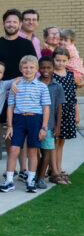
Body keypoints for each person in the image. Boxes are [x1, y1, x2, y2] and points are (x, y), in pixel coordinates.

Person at [0, 9, 37, 173]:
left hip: (19, 94)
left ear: (20, 24)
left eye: (15, 22)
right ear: (3, 23)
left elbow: (32, 69)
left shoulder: (26, 44)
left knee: (17, 133)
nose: (11, 24)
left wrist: (18, 86)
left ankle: (20, 169)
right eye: (8, 21)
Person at [0, 55, 51, 193]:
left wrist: (44, 127)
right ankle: (9, 181)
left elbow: (46, 108)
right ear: (21, 69)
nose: (28, 70)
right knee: (13, 150)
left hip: (35, 120)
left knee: (33, 151)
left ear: (37, 69)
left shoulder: (42, 87)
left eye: (31, 67)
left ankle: (31, 180)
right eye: (25, 67)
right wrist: (10, 126)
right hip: (18, 120)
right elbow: (10, 107)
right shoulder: (15, 86)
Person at [35, 56, 65, 188]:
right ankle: (35, 174)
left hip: (50, 124)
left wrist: (57, 126)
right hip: (35, 122)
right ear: (38, 69)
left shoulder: (57, 86)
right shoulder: (34, 83)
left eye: (48, 67)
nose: (45, 70)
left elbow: (59, 108)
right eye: (42, 67)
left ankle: (41, 177)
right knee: (36, 152)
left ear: (53, 68)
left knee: (47, 150)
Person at [51, 46, 79, 184]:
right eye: (58, 60)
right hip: (56, 113)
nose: (60, 63)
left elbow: (73, 97)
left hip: (68, 112)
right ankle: (54, 170)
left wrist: (76, 114)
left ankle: (58, 167)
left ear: (68, 60)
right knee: (55, 141)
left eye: (63, 60)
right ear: (53, 60)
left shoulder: (70, 75)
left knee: (62, 142)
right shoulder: (51, 75)